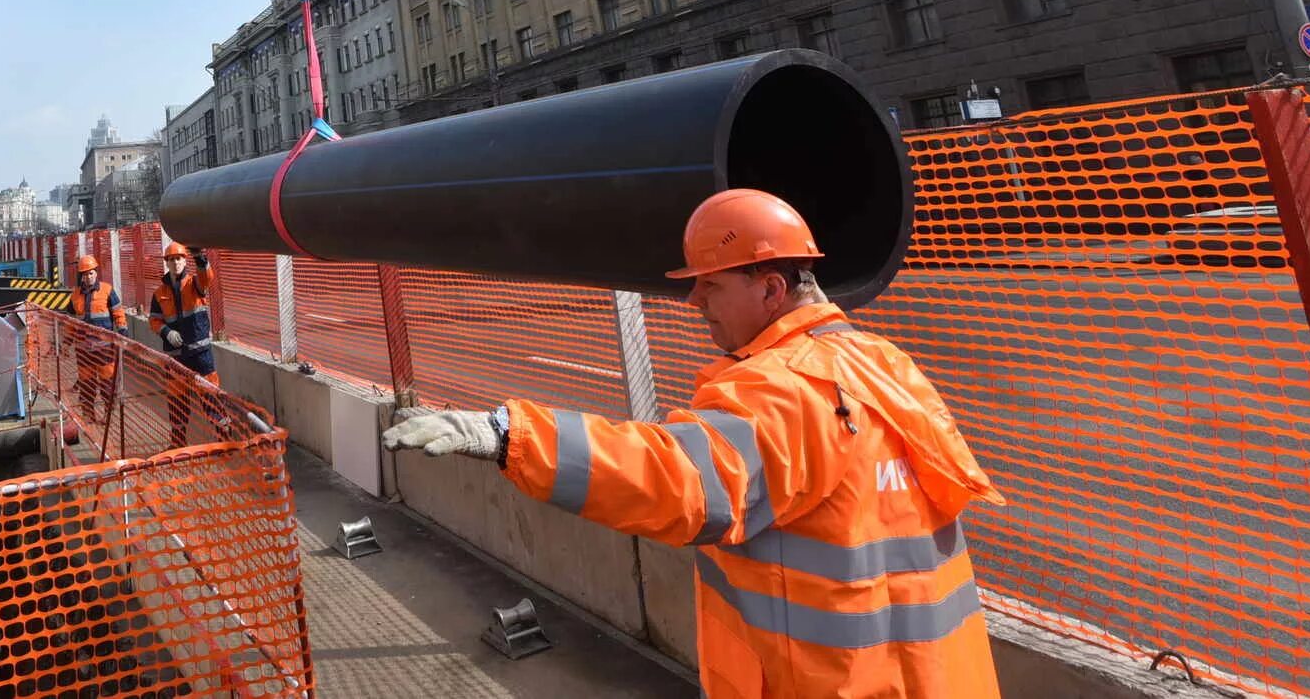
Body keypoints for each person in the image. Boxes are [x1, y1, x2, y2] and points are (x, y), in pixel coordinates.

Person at [383, 188, 1004, 698]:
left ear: (771, 289)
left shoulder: (784, 388)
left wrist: (509, 434)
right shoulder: (881, 363)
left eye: (712, 283)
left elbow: (682, 478)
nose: (694, 299)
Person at [148, 239, 217, 445]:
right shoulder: (159, 294)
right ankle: (178, 441)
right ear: (166, 263)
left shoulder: (195, 284)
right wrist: (167, 332)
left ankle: (223, 435)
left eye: (179, 259)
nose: (176, 263)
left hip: (200, 355)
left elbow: (207, 278)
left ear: (184, 261)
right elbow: (154, 320)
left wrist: (200, 258)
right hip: (175, 358)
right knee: (177, 401)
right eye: (171, 260)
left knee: (210, 396)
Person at [67, 252, 126, 423]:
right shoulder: (75, 295)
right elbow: (70, 321)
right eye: (85, 274)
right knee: (86, 384)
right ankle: (89, 415)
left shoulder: (107, 290)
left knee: (107, 385)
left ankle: (108, 414)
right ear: (81, 276)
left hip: (105, 349)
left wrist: (123, 333)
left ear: (96, 273)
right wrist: (66, 342)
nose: (88, 276)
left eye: (91, 273)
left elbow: (118, 313)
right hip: (84, 351)